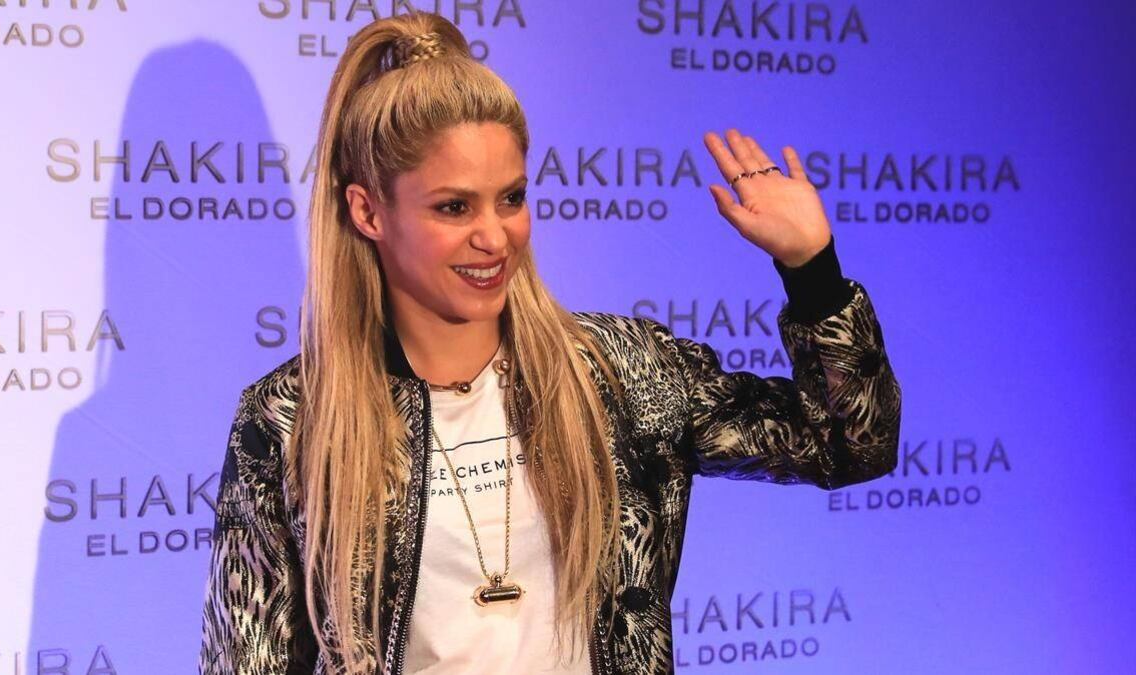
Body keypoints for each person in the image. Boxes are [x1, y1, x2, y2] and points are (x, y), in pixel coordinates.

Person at [198, 10, 902, 675]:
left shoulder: (620, 372)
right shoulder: (291, 421)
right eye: (454, 206)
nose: (494, 236)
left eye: (511, 197)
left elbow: (848, 445)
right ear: (368, 211)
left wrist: (813, 274)